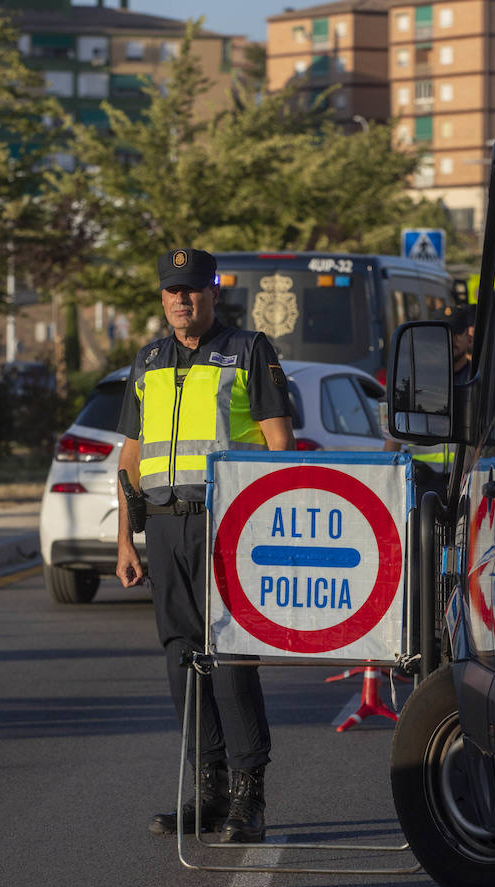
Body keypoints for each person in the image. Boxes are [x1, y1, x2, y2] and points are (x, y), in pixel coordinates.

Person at [116, 247, 295, 843]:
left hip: (228, 526)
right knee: (181, 658)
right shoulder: (147, 361)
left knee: (230, 656)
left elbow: (279, 446)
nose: (181, 300)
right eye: (171, 290)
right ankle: (208, 792)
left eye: (192, 289)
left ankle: (249, 796)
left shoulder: (248, 351)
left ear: (213, 293)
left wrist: (272, 530)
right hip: (165, 527)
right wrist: (126, 539)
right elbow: (132, 457)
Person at [450, 305, 476, 385]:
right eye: (447, 334)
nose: (452, 339)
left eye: (457, 334)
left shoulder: (475, 374)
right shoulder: (426, 372)